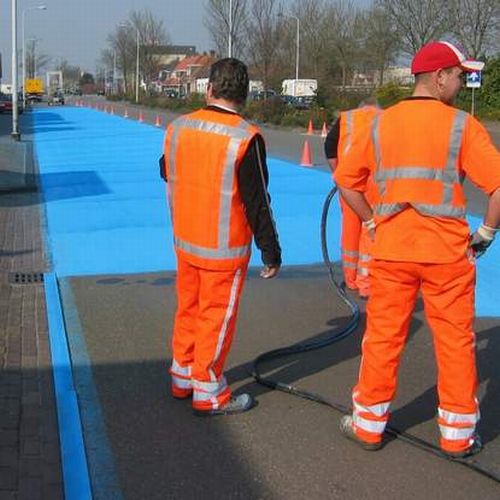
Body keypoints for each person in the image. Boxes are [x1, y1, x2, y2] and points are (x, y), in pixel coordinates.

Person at [334, 40, 500, 457]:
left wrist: (372, 220)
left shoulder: (378, 124)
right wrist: (486, 232)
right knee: (456, 343)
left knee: (383, 338)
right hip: (447, 254)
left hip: (391, 250)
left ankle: (369, 425)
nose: (462, 83)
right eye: (459, 76)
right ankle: (458, 436)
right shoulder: (462, 125)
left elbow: (346, 180)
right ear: (439, 76)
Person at [161, 58, 281, 416]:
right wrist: (270, 250)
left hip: (185, 240)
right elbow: (257, 200)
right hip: (223, 248)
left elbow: (166, 169)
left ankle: (182, 376)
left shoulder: (180, 128)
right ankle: (209, 391)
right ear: (244, 95)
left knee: (189, 309)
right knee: (216, 317)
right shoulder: (246, 138)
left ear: (210, 88)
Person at [324, 99, 379, 298]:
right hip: (375, 181)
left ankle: (351, 278)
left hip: (349, 182)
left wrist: (338, 174)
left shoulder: (346, 119)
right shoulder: (386, 118)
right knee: (371, 228)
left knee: (350, 230)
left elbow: (330, 147)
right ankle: (367, 281)